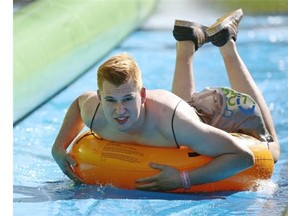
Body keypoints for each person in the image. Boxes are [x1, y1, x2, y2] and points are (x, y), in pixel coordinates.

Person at [52, 8, 280, 192]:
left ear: (142, 96)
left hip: (217, 114)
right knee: (178, 116)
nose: (119, 110)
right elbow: (79, 102)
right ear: (100, 97)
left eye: (127, 99)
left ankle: (227, 43)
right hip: (175, 116)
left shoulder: (175, 121)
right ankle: (187, 41)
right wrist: (59, 148)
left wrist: (184, 178)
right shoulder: (94, 111)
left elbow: (243, 158)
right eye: (110, 100)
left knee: (273, 152)